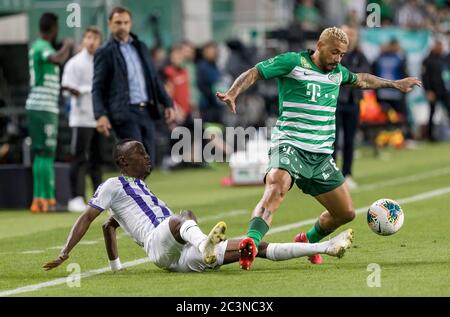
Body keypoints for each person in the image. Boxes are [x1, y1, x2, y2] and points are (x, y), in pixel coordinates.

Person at [217, 27, 421, 270]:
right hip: (290, 144)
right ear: (320, 46)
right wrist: (233, 92)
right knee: (277, 185)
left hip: (321, 155)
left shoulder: (337, 73)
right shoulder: (293, 62)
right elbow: (255, 73)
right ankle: (251, 241)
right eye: (334, 52)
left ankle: (307, 241)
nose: (338, 58)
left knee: (345, 213)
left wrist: (395, 84)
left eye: (342, 54)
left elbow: (363, 79)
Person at [43, 139, 354, 273]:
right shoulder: (113, 185)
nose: (147, 156)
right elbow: (88, 217)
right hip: (160, 244)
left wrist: (115, 267)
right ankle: (206, 242)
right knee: (182, 218)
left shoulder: (140, 190)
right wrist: (65, 251)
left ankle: (325, 247)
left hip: (181, 257)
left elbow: (109, 226)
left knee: (252, 246)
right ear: (124, 161)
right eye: (140, 153)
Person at [92, 6, 175, 164]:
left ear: (131, 24)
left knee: (148, 159)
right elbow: (98, 86)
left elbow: (154, 78)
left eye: (125, 22)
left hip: (146, 111)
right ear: (110, 24)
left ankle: (135, 189)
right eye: (118, 22)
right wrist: (100, 114)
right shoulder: (105, 51)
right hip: (124, 112)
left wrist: (167, 103)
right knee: (134, 159)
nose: (122, 26)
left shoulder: (140, 47)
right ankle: (132, 189)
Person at [26, 13, 73, 213]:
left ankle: (41, 199)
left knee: (41, 154)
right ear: (54, 29)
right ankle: (47, 199)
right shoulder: (42, 47)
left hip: (42, 107)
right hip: (42, 108)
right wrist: (67, 46)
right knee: (45, 153)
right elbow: (56, 58)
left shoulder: (38, 46)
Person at [62, 26, 103, 213]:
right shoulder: (74, 63)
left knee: (97, 158)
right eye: (88, 37)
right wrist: (79, 91)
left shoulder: (101, 61)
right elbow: (66, 86)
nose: (92, 41)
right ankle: (76, 197)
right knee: (79, 158)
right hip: (80, 118)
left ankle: (99, 197)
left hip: (98, 117)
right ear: (83, 41)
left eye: (95, 38)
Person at [333, 25, 370, 190]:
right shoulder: (335, 55)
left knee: (349, 140)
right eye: (347, 34)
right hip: (335, 102)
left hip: (353, 102)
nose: (350, 38)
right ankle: (332, 176)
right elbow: (339, 74)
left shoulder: (360, 56)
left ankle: (347, 174)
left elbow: (364, 75)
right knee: (331, 140)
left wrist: (351, 77)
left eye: (352, 35)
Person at [421, 39, 450, 142]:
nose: (441, 48)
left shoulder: (444, 58)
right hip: (433, 91)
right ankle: (430, 137)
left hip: (444, 90)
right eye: (439, 45)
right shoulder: (427, 60)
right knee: (432, 113)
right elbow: (424, 77)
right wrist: (428, 91)